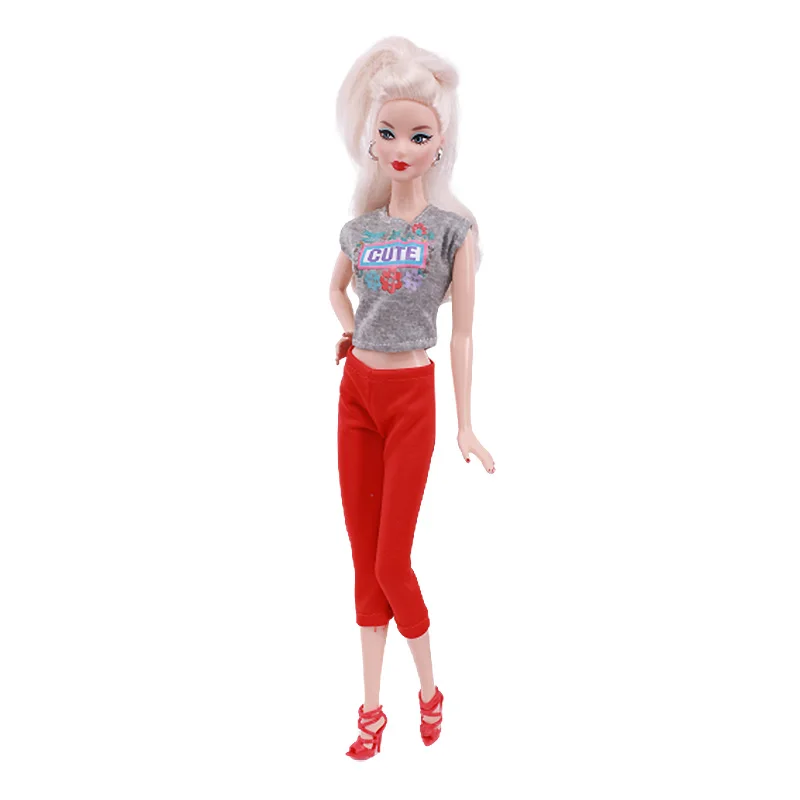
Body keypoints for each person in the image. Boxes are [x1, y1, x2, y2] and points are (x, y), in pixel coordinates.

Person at [330, 36, 495, 760]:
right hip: (357, 395)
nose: (402, 148)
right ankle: (371, 710)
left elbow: (463, 334)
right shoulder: (359, 229)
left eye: (419, 135)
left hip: (410, 397)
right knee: (363, 561)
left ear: (440, 143)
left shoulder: (454, 233)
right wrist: (349, 332)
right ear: (370, 139)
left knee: (392, 560)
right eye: (390, 133)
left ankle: (428, 688)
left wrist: (466, 424)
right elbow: (335, 290)